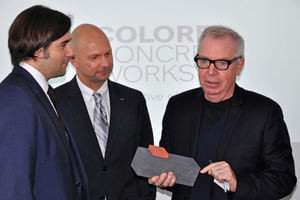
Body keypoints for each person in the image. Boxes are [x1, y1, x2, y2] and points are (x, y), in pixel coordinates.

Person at [149, 25, 297, 199]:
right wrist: (165, 179)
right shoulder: (178, 106)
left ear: (239, 65)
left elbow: (283, 180)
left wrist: (237, 182)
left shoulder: (265, 112)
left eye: (221, 63)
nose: (211, 72)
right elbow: (169, 168)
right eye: (204, 61)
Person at [55, 23, 156, 200]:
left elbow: (146, 159)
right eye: (94, 57)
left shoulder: (133, 99)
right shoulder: (56, 101)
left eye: (108, 54)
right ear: (74, 60)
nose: (105, 63)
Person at [0, 5, 88, 200]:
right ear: (39, 50)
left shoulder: (40, 92)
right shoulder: (15, 96)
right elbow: (13, 185)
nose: (71, 52)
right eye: (63, 45)